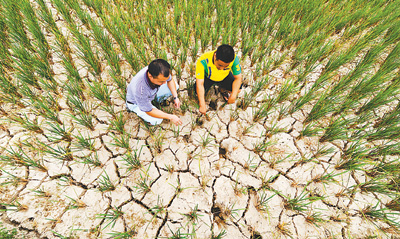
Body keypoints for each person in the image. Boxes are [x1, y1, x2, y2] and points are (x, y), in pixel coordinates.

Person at [126, 59, 182, 125]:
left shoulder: (161, 71)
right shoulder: (140, 90)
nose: (164, 83)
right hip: (136, 103)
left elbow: (170, 80)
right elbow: (149, 111)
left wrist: (175, 97)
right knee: (157, 120)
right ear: (150, 76)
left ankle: (154, 100)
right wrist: (170, 117)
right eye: (161, 81)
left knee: (176, 86)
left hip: (152, 93)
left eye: (165, 80)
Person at [195, 44, 243, 115]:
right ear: (215, 56)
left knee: (238, 89)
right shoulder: (203, 60)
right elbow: (200, 84)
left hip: (224, 77)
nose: (221, 68)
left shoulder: (234, 58)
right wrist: (202, 104)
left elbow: (238, 78)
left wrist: (233, 95)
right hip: (208, 78)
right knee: (196, 92)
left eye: (226, 66)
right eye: (220, 65)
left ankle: (222, 89)